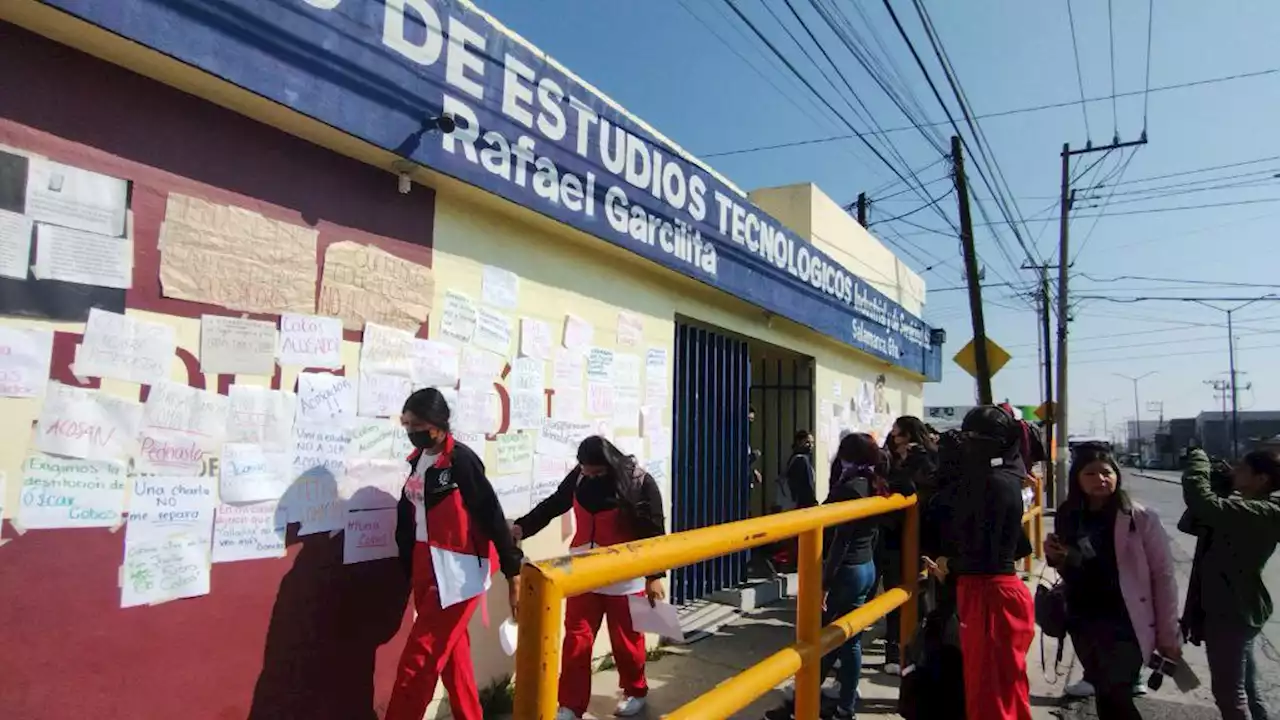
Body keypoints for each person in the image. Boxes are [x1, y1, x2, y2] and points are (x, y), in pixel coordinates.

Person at [386, 388, 524, 720]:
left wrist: (512, 570)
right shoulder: (418, 461)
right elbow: (411, 517)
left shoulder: (461, 461)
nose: (411, 432)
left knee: (421, 656)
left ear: (436, 424)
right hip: (425, 563)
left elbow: (491, 513)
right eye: (406, 425)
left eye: (416, 425)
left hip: (458, 570)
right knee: (452, 651)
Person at [511, 436, 666, 720]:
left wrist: (654, 575)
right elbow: (555, 503)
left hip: (626, 576)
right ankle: (570, 703)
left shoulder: (639, 482)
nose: (590, 476)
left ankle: (635, 690)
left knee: (628, 642)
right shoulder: (580, 477)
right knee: (576, 640)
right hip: (582, 573)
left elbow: (654, 531)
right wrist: (524, 526)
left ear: (610, 464)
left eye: (597, 472)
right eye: (586, 471)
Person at [1044, 446, 1180, 720]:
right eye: (1090, 473)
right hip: (1083, 620)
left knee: (1116, 695)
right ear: (1077, 478)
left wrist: (1168, 635)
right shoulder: (1069, 514)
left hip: (1126, 623)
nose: (1100, 479)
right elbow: (1069, 568)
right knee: (1105, 696)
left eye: (1106, 472)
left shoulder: (1140, 518)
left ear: (1117, 476)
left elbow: (1163, 577)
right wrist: (1055, 557)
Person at [922, 405, 1036, 720]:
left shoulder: (992, 483)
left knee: (992, 699)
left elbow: (986, 555)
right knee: (1005, 692)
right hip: (991, 594)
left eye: (972, 437)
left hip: (990, 596)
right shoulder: (1005, 477)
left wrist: (949, 565)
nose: (967, 444)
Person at [765, 432, 887, 720]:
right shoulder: (876, 483)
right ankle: (845, 705)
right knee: (849, 638)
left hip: (847, 571)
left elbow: (839, 542)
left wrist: (824, 584)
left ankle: (801, 704)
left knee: (824, 639)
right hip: (866, 566)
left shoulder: (849, 488)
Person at [1180, 446, 1280, 720]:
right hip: (1234, 607)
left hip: (1231, 611)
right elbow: (1190, 522)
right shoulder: (1246, 509)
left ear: (1261, 479)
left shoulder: (1261, 512)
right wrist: (1221, 484)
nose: (1234, 471)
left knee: (1229, 695)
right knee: (1246, 689)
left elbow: (1202, 503)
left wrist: (1198, 462)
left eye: (1242, 469)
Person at [878, 415, 937, 673]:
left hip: (916, 536)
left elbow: (913, 486)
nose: (893, 438)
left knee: (914, 594)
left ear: (910, 435)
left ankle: (908, 650)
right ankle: (895, 651)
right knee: (895, 592)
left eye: (897, 434)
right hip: (894, 536)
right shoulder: (890, 455)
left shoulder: (925, 458)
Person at [779, 430, 818, 511]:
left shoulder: (794, 458)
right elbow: (806, 486)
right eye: (807, 442)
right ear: (799, 442)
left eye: (812, 443)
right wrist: (813, 502)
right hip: (801, 504)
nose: (811, 445)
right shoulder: (802, 460)